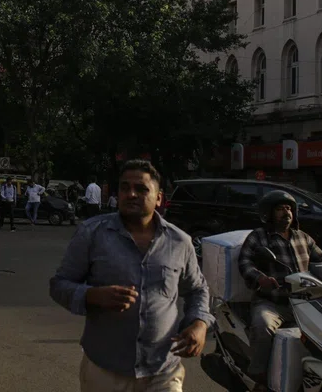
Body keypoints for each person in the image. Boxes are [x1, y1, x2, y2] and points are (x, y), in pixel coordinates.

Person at [50, 160, 212, 392]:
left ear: (159, 197)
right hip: (105, 369)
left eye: (142, 188)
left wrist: (199, 323)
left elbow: (197, 289)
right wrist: (91, 295)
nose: (131, 194)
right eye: (125, 187)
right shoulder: (92, 233)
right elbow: (59, 285)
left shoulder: (179, 242)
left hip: (163, 369)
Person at [237, 190, 322, 392]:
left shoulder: (303, 237)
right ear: (268, 213)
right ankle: (258, 377)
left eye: (289, 209)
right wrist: (260, 278)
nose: (286, 213)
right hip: (272, 302)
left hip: (305, 301)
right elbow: (245, 262)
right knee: (263, 326)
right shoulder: (258, 237)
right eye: (280, 209)